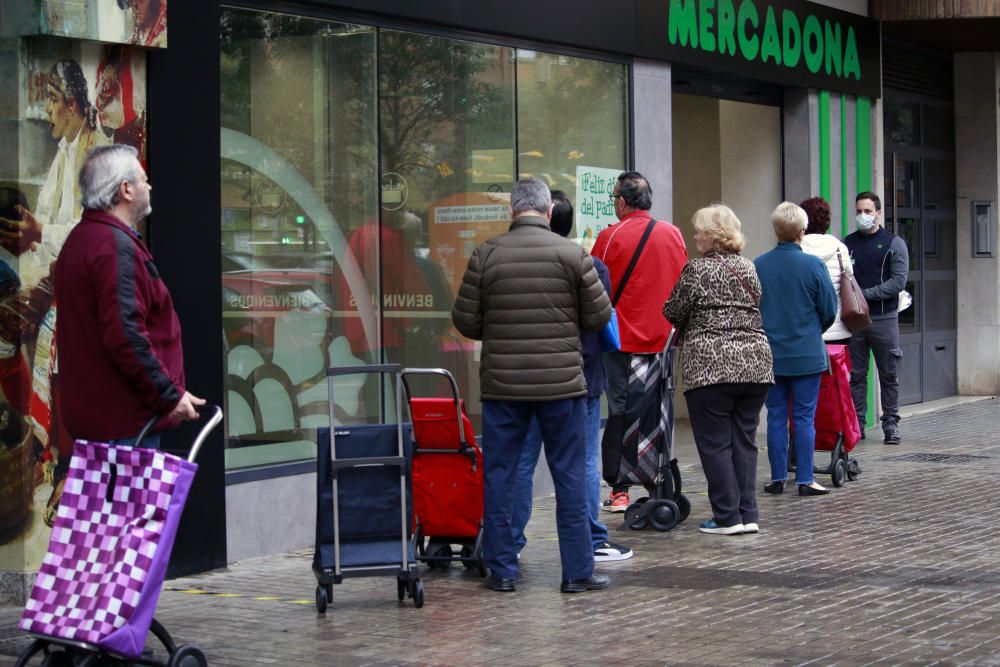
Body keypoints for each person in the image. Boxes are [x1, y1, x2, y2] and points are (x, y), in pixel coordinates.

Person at [452, 177, 612, 594]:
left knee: (501, 475)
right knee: (571, 476)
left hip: (504, 387)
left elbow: (466, 321)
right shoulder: (572, 255)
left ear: (512, 211)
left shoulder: (485, 255)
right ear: (547, 212)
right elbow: (598, 316)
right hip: (562, 386)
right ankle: (577, 571)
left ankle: (502, 570)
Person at [510, 190, 633, 563]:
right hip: (577, 378)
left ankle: (508, 542)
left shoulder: (508, 261)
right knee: (580, 462)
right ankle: (590, 541)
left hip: (521, 379)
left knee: (521, 462)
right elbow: (599, 318)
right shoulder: (589, 266)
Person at [54, 144, 204, 448]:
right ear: (126, 189)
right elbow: (126, 336)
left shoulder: (85, 239)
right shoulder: (111, 246)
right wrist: (168, 395)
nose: (149, 185)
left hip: (107, 422)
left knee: (108, 498)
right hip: (126, 427)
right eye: (143, 179)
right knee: (134, 499)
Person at [663, 204, 773, 535]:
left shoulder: (697, 270)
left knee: (715, 443)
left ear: (712, 235)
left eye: (699, 230)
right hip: (755, 364)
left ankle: (726, 517)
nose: (694, 235)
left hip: (711, 365)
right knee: (744, 440)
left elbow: (673, 310)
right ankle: (747, 514)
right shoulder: (749, 268)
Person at [591, 171, 688, 512]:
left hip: (621, 341)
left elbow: (594, 288)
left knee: (620, 410)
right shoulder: (672, 234)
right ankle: (656, 479)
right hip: (663, 340)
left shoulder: (609, 236)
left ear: (621, 201)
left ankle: (620, 490)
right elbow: (682, 283)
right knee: (656, 409)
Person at [755, 202, 838, 497]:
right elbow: (829, 309)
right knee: (804, 418)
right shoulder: (813, 265)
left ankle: (777, 477)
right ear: (801, 232)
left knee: (776, 416)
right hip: (806, 354)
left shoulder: (759, 265)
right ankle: (805, 478)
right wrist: (812, 331)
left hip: (771, 354)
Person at [844, 192, 909, 444]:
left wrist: (862, 294)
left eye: (868, 211)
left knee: (889, 373)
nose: (863, 216)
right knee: (857, 374)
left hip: (884, 318)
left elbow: (898, 282)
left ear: (879, 213)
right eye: (859, 211)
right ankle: (857, 424)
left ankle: (891, 424)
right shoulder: (847, 244)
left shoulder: (894, 244)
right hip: (855, 321)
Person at [799, 197, 854, 345]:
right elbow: (849, 278)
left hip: (807, 331)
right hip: (839, 331)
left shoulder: (797, 249)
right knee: (838, 369)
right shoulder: (839, 248)